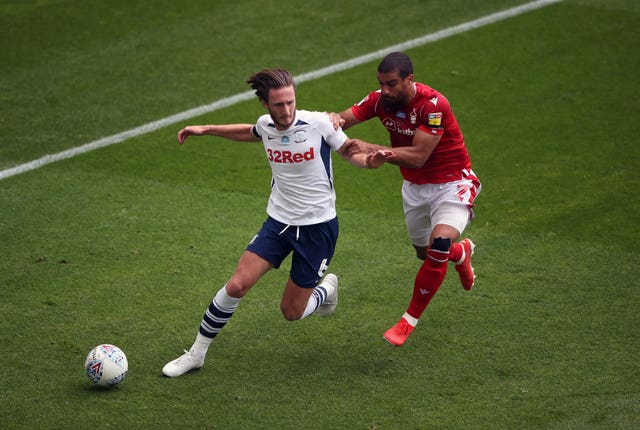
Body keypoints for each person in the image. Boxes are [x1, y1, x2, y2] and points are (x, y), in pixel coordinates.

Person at [162, 68, 393, 377]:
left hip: (318, 229)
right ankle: (197, 353)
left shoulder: (320, 123)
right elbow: (250, 132)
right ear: (265, 105)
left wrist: (370, 161)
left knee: (291, 311)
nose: (286, 111)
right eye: (278, 105)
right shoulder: (266, 125)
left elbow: (350, 152)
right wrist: (205, 129)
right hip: (279, 223)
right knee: (236, 285)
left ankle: (326, 289)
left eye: (290, 102)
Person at [330, 52, 481, 347]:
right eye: (381, 83)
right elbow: (343, 120)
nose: (385, 90)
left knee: (438, 246)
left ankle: (408, 321)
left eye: (392, 84)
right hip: (415, 189)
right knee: (425, 254)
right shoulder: (379, 100)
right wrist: (331, 120)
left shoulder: (433, 106)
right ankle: (460, 253)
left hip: (452, 184)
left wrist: (373, 147)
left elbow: (419, 158)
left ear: (409, 80)